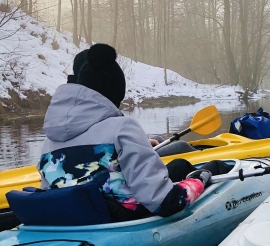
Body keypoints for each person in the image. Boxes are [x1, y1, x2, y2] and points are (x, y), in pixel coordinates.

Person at [37, 43, 222, 222]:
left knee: (178, 165)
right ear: (115, 91)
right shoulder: (123, 127)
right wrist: (200, 180)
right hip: (122, 219)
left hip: (73, 218)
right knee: (209, 167)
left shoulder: (50, 139)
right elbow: (165, 202)